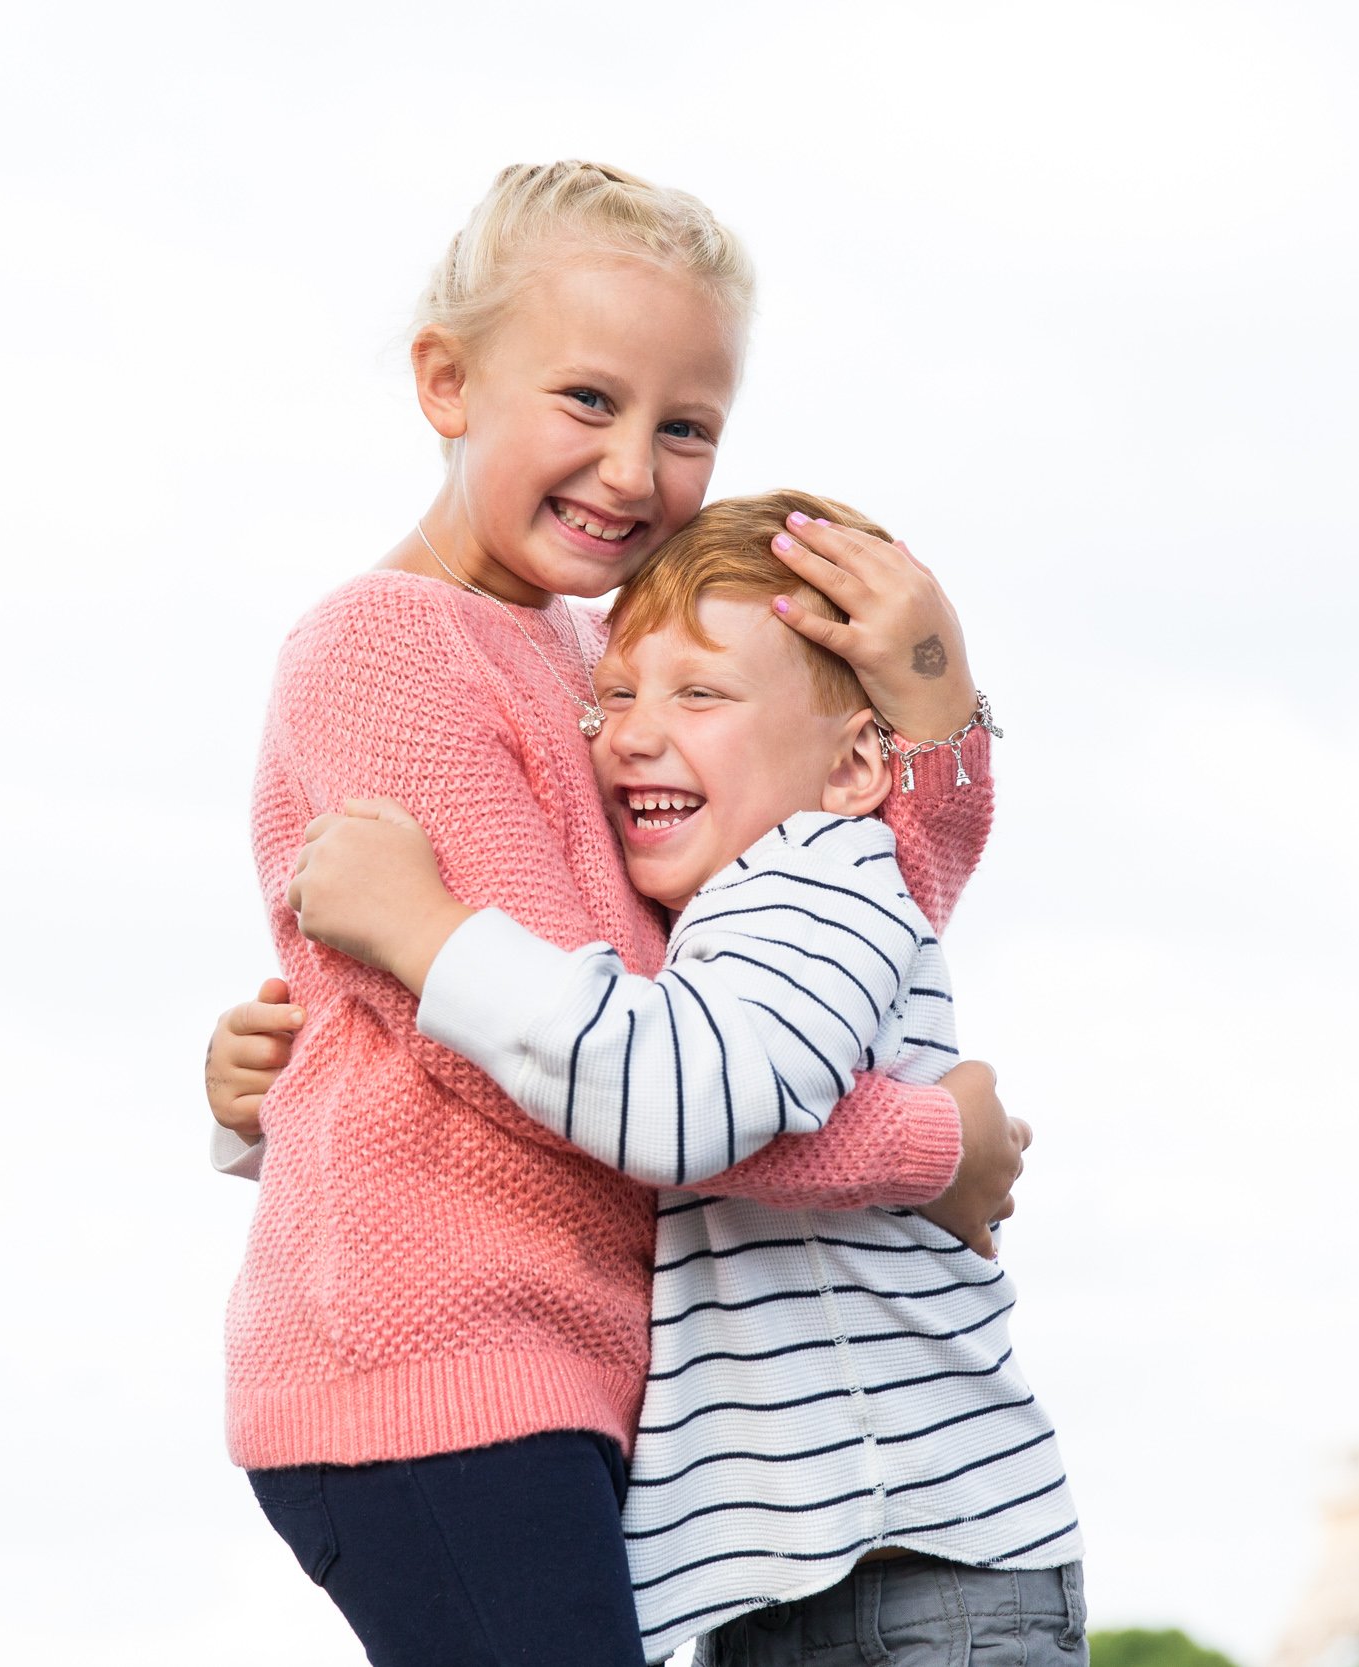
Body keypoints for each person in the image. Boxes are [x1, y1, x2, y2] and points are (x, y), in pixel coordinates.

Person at [212, 162, 1025, 1665]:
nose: (635, 468)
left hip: (567, 1371)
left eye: (686, 426)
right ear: (445, 381)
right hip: (434, 1366)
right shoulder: (381, 652)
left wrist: (929, 698)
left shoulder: (609, 657)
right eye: (587, 400)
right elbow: (557, 1060)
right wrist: (928, 1147)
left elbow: (850, 892)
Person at [275, 491, 1084, 1665]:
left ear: (858, 762)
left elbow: (671, 1097)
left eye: (698, 694)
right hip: (795, 1586)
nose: (633, 733)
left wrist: (427, 931)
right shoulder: (700, 927)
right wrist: (280, 1090)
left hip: (910, 1574)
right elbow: (550, 1083)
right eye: (612, 695)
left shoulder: (820, 880)